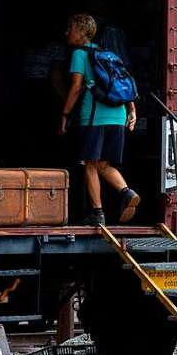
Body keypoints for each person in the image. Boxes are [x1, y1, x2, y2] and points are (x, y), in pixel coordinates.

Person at [58, 13, 139, 226]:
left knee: (90, 164)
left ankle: (97, 212)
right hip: (118, 115)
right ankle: (127, 192)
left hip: (95, 117)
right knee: (102, 163)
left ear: (83, 32)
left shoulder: (79, 53)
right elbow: (124, 84)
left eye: (71, 28)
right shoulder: (109, 54)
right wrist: (132, 111)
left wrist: (65, 115)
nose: (67, 32)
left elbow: (76, 88)